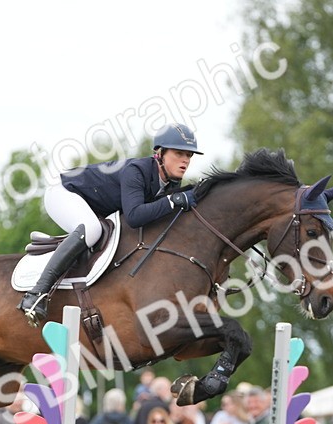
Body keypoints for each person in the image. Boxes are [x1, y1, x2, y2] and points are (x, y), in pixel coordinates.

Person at [17, 123, 204, 324]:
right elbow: (134, 216)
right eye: (179, 153)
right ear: (159, 153)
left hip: (91, 205)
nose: (185, 160)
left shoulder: (170, 183)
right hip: (63, 193)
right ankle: (37, 293)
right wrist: (173, 201)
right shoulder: (137, 170)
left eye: (189, 155)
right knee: (92, 229)